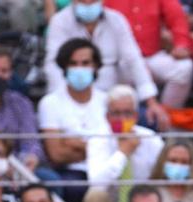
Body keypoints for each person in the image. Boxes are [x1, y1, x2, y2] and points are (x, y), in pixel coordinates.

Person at [44, 0, 170, 130]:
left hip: (111, 97)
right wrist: (62, 100)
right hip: (75, 97)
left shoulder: (116, 20)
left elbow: (133, 60)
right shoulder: (59, 21)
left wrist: (151, 102)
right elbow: (53, 65)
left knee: (149, 119)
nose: (88, 2)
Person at [82, 85, 165, 202]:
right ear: (107, 116)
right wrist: (123, 152)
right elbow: (96, 182)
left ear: (136, 115)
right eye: (116, 113)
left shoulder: (151, 139)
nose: (122, 119)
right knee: (95, 196)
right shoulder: (98, 139)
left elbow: (163, 178)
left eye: (127, 113)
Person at [37, 38, 108, 202]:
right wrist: (95, 147)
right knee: (75, 187)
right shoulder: (50, 102)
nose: (79, 68)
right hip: (70, 172)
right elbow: (56, 154)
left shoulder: (107, 100)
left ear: (96, 66)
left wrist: (75, 143)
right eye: (73, 63)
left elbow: (113, 147)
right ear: (64, 67)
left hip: (106, 170)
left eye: (85, 63)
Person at [105, 0, 193, 108]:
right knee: (106, 72)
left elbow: (177, 19)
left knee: (184, 67)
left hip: (152, 56)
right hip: (121, 62)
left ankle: (168, 115)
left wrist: (181, 44)